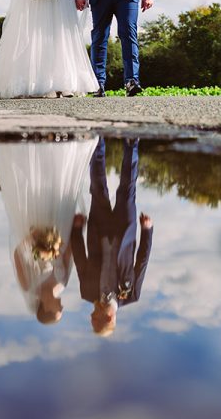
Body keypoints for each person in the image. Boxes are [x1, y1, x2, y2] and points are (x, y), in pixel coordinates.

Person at [0, 137, 97, 323]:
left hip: (34, 226)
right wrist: (76, 228)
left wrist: (32, 238)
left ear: (46, 308)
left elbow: (18, 256)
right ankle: (59, 143)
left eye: (58, 310)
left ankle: (32, 145)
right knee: (57, 186)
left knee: (35, 187)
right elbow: (68, 255)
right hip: (60, 227)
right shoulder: (62, 284)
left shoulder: (29, 287)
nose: (62, 306)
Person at [71, 138, 154, 336]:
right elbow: (142, 262)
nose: (91, 317)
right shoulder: (132, 295)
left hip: (98, 231)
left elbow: (80, 260)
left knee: (98, 188)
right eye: (95, 320)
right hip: (125, 229)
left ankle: (97, 141)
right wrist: (147, 230)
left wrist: (76, 230)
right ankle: (131, 143)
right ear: (108, 318)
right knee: (128, 190)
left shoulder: (87, 293)